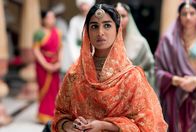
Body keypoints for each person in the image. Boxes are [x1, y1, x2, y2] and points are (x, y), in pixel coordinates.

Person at [52, 4, 167, 132]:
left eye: (107, 25)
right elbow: (60, 116)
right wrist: (69, 126)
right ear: (87, 32)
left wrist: (104, 125)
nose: (100, 32)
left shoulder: (131, 77)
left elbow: (146, 126)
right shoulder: (74, 75)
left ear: (117, 30)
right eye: (94, 26)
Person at [154, 0, 196, 132]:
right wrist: (175, 80)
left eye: (192, 13)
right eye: (184, 13)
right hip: (175, 95)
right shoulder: (168, 41)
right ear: (179, 16)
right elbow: (157, 70)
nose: (188, 17)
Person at [114, 2, 155, 88]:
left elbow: (151, 70)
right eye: (116, 16)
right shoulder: (104, 42)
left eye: (123, 16)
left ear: (129, 18)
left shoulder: (140, 43)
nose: (120, 19)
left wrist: (134, 76)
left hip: (134, 89)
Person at [33, 10, 62, 124]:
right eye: (49, 17)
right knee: (44, 89)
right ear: (43, 19)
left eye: (53, 17)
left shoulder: (57, 32)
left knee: (55, 89)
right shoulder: (39, 33)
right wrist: (46, 65)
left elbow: (60, 48)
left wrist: (59, 62)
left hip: (55, 63)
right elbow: (35, 50)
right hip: (42, 65)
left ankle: (53, 113)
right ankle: (43, 114)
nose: (51, 20)